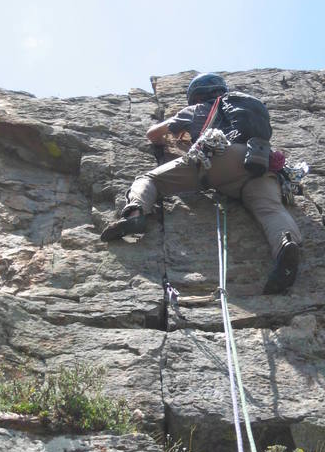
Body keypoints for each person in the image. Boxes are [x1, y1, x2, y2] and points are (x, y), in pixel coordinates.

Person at [101, 73, 301, 294]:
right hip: (260, 162)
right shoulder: (245, 110)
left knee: (148, 179)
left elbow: (153, 135)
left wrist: (180, 135)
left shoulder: (198, 109)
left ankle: (135, 216)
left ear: (197, 96)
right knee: (271, 209)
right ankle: (286, 245)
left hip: (220, 157)